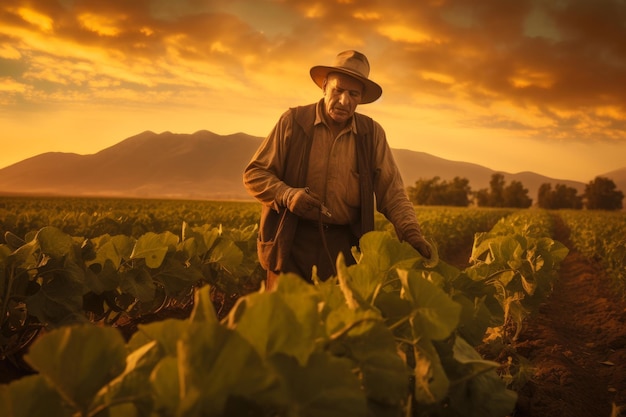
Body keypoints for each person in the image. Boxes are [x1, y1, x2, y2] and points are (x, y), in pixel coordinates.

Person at [243, 50, 432, 289]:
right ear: (324, 87)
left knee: (335, 323)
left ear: (361, 98)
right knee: (287, 322)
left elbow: (392, 192)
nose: (344, 101)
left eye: (353, 94)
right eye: (338, 90)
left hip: (344, 249)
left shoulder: (371, 134)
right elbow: (255, 174)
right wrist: (287, 195)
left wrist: (411, 232)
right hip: (291, 242)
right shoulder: (293, 121)